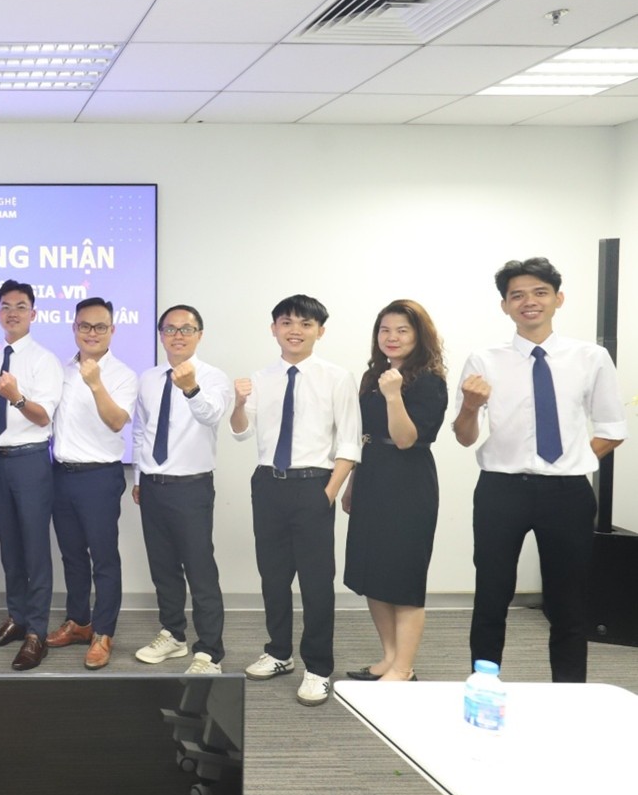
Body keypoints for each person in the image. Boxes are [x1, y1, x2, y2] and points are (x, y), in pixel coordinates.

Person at [453, 258, 626, 683]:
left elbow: (612, 429)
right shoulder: (484, 359)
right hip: (501, 490)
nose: (529, 301)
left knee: (568, 603)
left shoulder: (591, 357)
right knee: (491, 597)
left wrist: (572, 461)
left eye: (540, 292)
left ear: (558, 299)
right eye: (517, 295)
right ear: (505, 306)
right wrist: (470, 407)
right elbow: (464, 436)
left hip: (567, 494)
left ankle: (568, 693)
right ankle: (483, 688)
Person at [230, 295, 360, 706]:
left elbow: (350, 442)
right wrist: (238, 402)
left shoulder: (337, 377)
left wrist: (328, 492)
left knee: (316, 582)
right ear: (274, 329)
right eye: (286, 322)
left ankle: (318, 668)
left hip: (313, 484)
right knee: (273, 576)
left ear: (320, 331)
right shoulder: (260, 377)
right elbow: (240, 432)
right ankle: (279, 652)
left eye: (305, 323)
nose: (295, 330)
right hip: (268, 483)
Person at [342, 300, 448, 683]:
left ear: (419, 335)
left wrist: (393, 395)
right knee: (373, 574)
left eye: (402, 330)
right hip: (372, 478)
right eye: (385, 330)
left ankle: (404, 668)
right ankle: (389, 658)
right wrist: (352, 483)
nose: (392, 337)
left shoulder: (430, 381)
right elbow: (367, 437)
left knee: (403, 579)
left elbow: (405, 440)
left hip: (409, 486)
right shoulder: (374, 376)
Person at [130, 305, 232, 674]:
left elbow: (211, 415)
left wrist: (191, 388)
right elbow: (141, 430)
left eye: (186, 329)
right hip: (153, 486)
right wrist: (139, 478)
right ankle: (173, 634)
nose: (178, 335)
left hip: (191, 487)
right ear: (161, 335)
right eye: (170, 329)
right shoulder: (149, 378)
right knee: (163, 568)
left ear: (199, 335)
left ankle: (210, 651)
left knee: (200, 570)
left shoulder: (214, 377)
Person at [46, 298, 137, 670]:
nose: (92, 333)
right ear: (74, 328)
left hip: (99, 477)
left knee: (104, 558)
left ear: (112, 330)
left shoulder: (123, 375)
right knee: (71, 556)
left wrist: (96, 383)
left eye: (100, 326)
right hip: (60, 475)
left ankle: (103, 632)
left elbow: (116, 422)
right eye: (85, 326)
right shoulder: (61, 370)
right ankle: (79, 621)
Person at [0, 279, 64, 671]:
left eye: (20, 306)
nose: (12, 313)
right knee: (10, 547)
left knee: (35, 549)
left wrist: (16, 396)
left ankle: (37, 633)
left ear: (33, 313)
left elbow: (43, 416)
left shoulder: (45, 360)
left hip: (30, 461)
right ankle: (16, 618)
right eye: (6, 306)